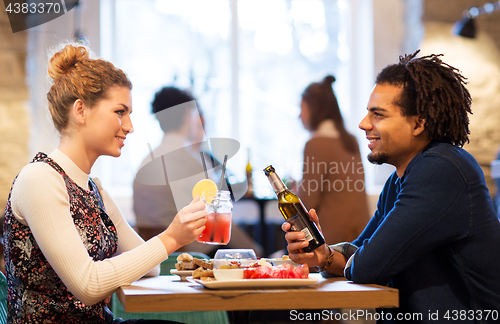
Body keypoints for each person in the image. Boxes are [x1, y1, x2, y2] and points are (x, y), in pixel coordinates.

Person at [283, 51, 500, 321]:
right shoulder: (399, 179)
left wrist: (345, 259)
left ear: (419, 122)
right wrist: (322, 255)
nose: (364, 124)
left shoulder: (441, 169)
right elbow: (359, 251)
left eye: (379, 115)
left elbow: (367, 265)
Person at [2, 43, 207, 323]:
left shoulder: (93, 189)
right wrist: (171, 237)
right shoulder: (40, 179)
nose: (130, 126)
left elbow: (153, 268)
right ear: (81, 111)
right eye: (120, 112)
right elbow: (88, 286)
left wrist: (171, 239)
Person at [133, 86, 263, 257]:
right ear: (188, 114)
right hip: (190, 254)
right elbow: (219, 219)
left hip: (151, 253)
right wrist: (258, 254)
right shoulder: (193, 163)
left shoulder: (145, 163)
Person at [299, 75, 370, 244]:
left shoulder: (316, 144)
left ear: (314, 109)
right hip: (363, 234)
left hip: (333, 239)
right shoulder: (351, 140)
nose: (300, 115)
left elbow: (307, 204)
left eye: (302, 108)